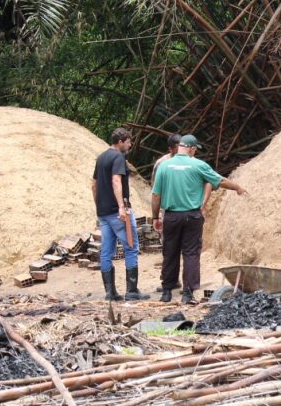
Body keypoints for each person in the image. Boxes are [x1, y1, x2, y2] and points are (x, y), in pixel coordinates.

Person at [151, 133, 246, 303]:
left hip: (171, 216)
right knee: (191, 253)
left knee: (170, 252)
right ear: (192, 149)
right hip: (192, 216)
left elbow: (156, 195)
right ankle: (187, 294)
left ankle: (166, 292)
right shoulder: (198, 165)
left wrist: (155, 217)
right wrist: (237, 187)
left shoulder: (164, 166)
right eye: (195, 150)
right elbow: (220, 181)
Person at [92, 128, 148, 302]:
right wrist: (121, 207)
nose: (130, 145)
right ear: (121, 141)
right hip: (118, 213)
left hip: (103, 213)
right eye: (128, 142)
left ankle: (110, 293)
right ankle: (132, 291)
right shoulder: (118, 157)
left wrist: (98, 207)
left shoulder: (101, 158)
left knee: (106, 252)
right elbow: (116, 181)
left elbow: (94, 185)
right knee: (131, 248)